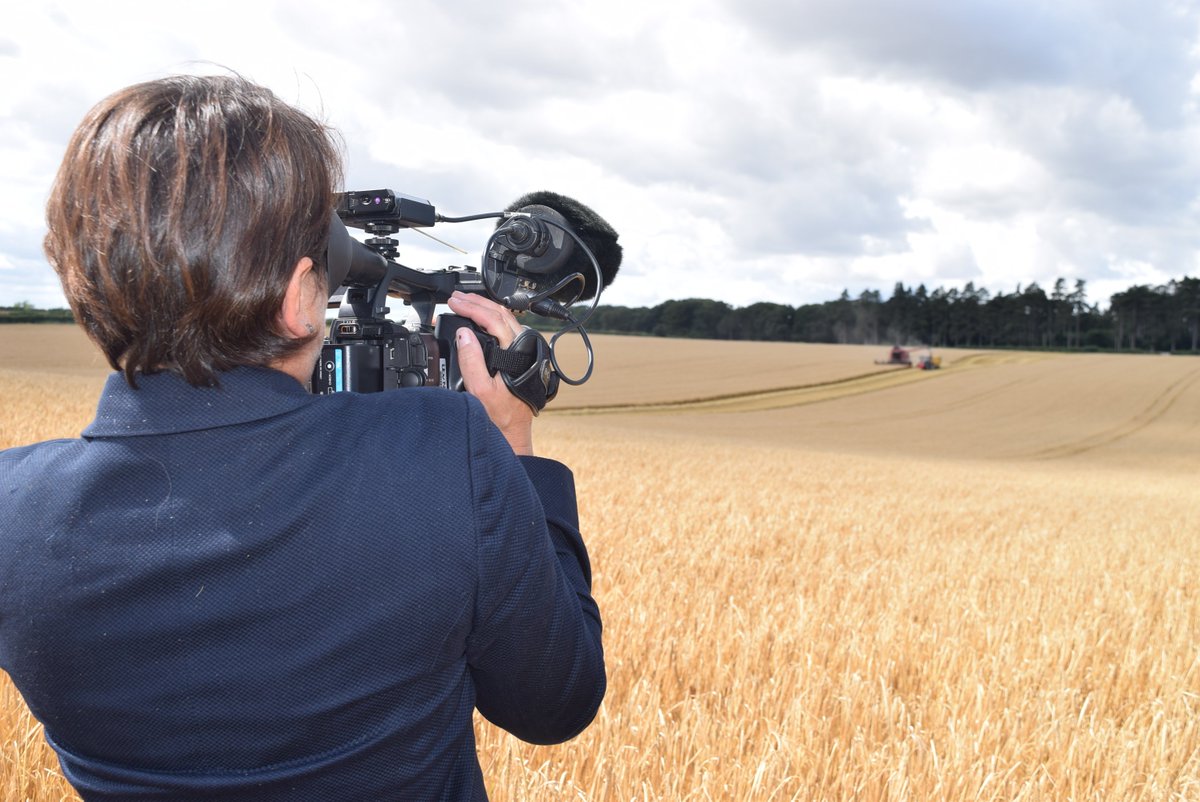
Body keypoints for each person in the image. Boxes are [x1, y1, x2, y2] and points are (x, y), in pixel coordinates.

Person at [0, 74, 604, 801]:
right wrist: (512, 440)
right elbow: (556, 701)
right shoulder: (450, 452)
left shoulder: (12, 513)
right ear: (297, 300)